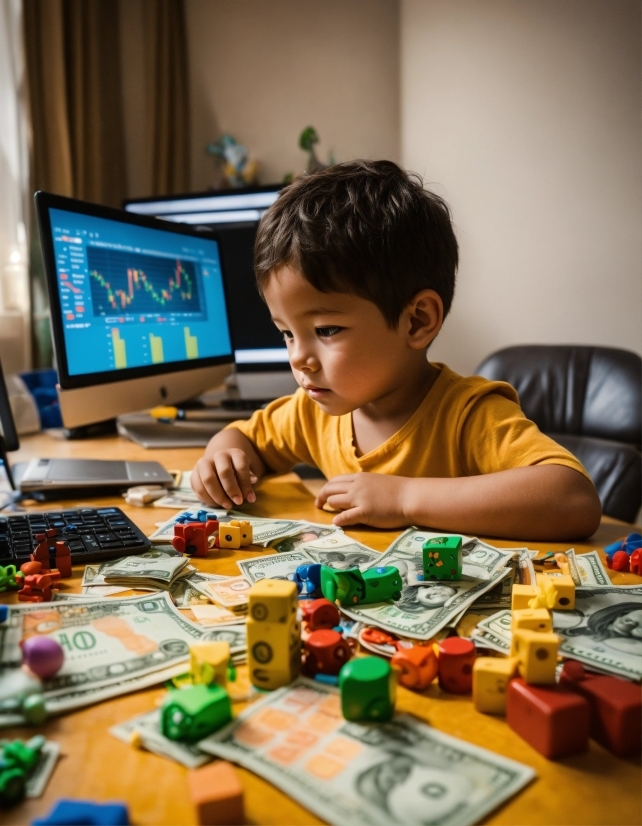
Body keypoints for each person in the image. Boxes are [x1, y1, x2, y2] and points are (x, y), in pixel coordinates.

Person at [192, 161, 601, 540]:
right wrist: (222, 457)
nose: (299, 357)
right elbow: (246, 440)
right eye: (287, 333)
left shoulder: (467, 416)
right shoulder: (311, 413)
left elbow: (573, 500)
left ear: (417, 321)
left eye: (326, 329)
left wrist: (405, 498)